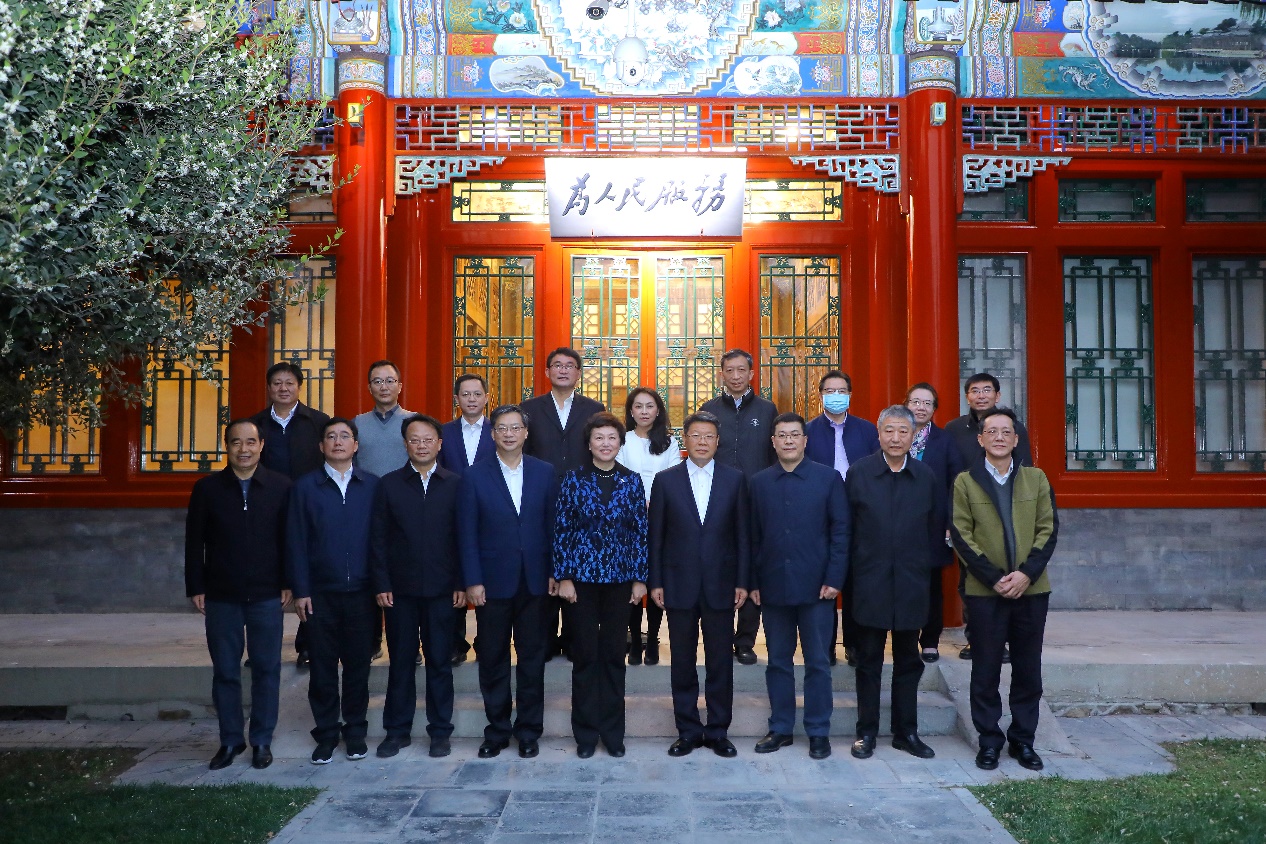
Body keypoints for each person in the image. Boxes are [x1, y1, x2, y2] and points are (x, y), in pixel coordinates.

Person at [951, 407, 1058, 773]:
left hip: (1031, 590)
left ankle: (1023, 740)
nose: (999, 436)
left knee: (1028, 669)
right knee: (985, 669)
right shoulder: (965, 482)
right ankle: (989, 741)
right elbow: (961, 535)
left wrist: (1026, 574)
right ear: (980, 439)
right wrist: (994, 577)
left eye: (1006, 431)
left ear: (1016, 439)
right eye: (991, 431)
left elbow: (1048, 529)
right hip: (985, 593)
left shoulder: (1036, 479)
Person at [185, 419, 291, 771]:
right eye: (235, 442)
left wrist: (288, 581)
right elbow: (194, 542)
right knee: (226, 671)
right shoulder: (207, 489)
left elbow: (289, 540)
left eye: (250, 442)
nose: (243, 449)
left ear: (261, 445)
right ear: (226, 446)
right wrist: (196, 586)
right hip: (221, 594)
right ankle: (230, 740)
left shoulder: (280, 487)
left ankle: (261, 740)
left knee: (266, 669)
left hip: (266, 593)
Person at [844, 405, 946, 761]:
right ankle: (866, 732)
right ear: (879, 433)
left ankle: (906, 732)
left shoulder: (925, 476)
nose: (896, 437)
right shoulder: (859, 473)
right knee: (868, 661)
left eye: (904, 431)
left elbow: (933, 530)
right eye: (889, 430)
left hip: (911, 582)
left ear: (914, 435)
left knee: (908, 661)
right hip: (869, 581)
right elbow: (848, 528)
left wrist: (922, 571)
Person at [458, 405, 559, 760]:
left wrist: (555, 572)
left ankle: (529, 731)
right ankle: (497, 730)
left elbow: (553, 527)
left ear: (526, 433)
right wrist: (472, 580)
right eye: (502, 428)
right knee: (493, 659)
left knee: (532, 660)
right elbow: (467, 533)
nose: (509, 434)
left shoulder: (545, 472)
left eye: (515, 428)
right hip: (492, 583)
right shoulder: (474, 476)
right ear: (493, 434)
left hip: (535, 582)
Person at [648, 411, 749, 759]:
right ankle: (688, 730)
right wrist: (656, 581)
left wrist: (742, 581)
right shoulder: (666, 481)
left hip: (722, 584)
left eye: (709, 436)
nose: (702, 442)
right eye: (696, 435)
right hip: (678, 583)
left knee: (720, 661)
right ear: (684, 440)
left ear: (717, 442)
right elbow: (656, 537)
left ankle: (718, 730)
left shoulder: (735, 480)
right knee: (682, 661)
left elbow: (742, 536)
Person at [748, 413, 849, 760]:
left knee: (818, 662)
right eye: (782, 435)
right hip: (773, 585)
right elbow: (752, 537)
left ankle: (818, 731)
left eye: (794, 435)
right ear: (773, 442)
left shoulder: (828, 478)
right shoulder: (759, 483)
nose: (788, 440)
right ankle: (780, 728)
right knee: (778, 661)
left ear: (805, 441)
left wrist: (834, 578)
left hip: (817, 588)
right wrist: (753, 581)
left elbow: (840, 532)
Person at [553, 412, 649, 758]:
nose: (605, 443)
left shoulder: (632, 481)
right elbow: (562, 529)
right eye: (599, 437)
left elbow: (640, 533)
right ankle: (585, 735)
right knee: (584, 656)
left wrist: (640, 578)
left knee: (612, 656)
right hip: (580, 582)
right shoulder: (573, 479)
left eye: (612, 437)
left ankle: (612, 733)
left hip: (620, 582)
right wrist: (564, 576)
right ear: (589, 443)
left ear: (620, 443)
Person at [369, 414, 465, 760]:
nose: (421, 446)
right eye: (414, 440)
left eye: (428, 440)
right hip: (400, 592)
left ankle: (440, 732)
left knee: (440, 662)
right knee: (401, 662)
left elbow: (462, 538)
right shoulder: (389, 484)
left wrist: (461, 582)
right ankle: (397, 731)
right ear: (405, 444)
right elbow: (378, 538)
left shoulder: (455, 484)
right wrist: (381, 582)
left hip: (442, 590)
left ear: (439, 444)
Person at [287, 418, 380, 764]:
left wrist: (380, 585)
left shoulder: (371, 486)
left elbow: (380, 541)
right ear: (321, 446)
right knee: (322, 668)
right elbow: (296, 541)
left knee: (358, 666)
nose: (338, 442)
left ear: (356, 445)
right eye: (331, 437)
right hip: (319, 593)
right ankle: (326, 734)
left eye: (345, 436)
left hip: (362, 593)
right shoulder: (305, 487)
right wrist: (301, 589)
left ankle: (355, 731)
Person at [521, 347, 606, 663]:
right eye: (557, 365)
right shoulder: (529, 408)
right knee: (543, 567)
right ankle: (543, 640)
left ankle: (573, 639)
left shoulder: (594, 409)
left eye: (570, 365)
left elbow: (601, 451)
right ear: (547, 372)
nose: (563, 370)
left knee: (578, 569)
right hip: (540, 499)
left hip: (583, 501)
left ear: (578, 373)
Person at [944, 373, 1032, 661]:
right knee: (971, 577)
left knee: (1007, 572)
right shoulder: (954, 429)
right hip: (967, 513)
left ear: (997, 395)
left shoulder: (1014, 428)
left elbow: (1026, 472)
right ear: (966, 396)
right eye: (974, 390)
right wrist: (949, 519)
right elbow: (947, 474)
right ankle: (977, 639)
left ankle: (1005, 639)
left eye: (987, 390)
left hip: (1006, 510)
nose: (981, 395)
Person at [249, 361, 329, 669]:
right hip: (267, 512)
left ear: (299, 387)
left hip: (310, 510)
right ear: (269, 388)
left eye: (289, 383)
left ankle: (308, 644)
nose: (283, 388)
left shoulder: (318, 422)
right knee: (266, 580)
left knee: (310, 578)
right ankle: (262, 649)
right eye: (277, 383)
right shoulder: (255, 425)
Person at [699, 349, 776, 666]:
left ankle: (745, 640)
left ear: (751, 373)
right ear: (722, 374)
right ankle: (719, 635)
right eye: (729, 370)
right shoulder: (709, 409)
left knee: (751, 566)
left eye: (741, 370)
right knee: (719, 565)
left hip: (755, 498)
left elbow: (773, 455)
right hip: (717, 499)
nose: (735, 376)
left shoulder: (767, 410)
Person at [803, 370, 880, 667]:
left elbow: (876, 469)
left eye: (841, 390)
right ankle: (826, 646)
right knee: (824, 579)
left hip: (860, 511)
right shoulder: (808, 431)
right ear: (820, 395)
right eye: (830, 391)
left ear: (850, 394)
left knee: (856, 581)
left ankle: (854, 644)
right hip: (820, 513)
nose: (836, 396)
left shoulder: (867, 430)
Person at [616, 387, 681, 666]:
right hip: (628, 520)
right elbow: (618, 475)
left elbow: (674, 476)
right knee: (633, 580)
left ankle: (652, 639)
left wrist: (656, 502)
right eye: (638, 406)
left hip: (662, 518)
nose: (644, 411)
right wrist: (637, 501)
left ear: (658, 411)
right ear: (631, 411)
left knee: (656, 579)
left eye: (650, 406)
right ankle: (633, 640)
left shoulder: (670, 442)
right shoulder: (622, 440)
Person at [353, 360, 412, 661]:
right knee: (370, 572)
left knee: (403, 573)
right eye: (377, 381)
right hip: (367, 508)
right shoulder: (357, 424)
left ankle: (408, 643)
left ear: (400, 386)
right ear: (369, 387)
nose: (384, 386)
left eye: (390, 381)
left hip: (405, 509)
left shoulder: (413, 422)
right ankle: (372, 640)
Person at [906, 383, 966, 664]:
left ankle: (929, 641)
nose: (921, 407)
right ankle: (905, 639)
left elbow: (956, 483)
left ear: (934, 409)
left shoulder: (945, 441)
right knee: (902, 583)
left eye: (927, 403)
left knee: (931, 585)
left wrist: (951, 522)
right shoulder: (895, 434)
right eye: (915, 401)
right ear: (906, 405)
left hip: (933, 522)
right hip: (898, 523)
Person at [439, 373, 496, 667]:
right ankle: (455, 643)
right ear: (456, 399)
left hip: (490, 516)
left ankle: (487, 642)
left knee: (487, 579)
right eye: (465, 394)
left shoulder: (499, 431)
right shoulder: (443, 433)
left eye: (477, 394)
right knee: (455, 579)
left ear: (487, 398)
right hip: (450, 514)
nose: (471, 399)